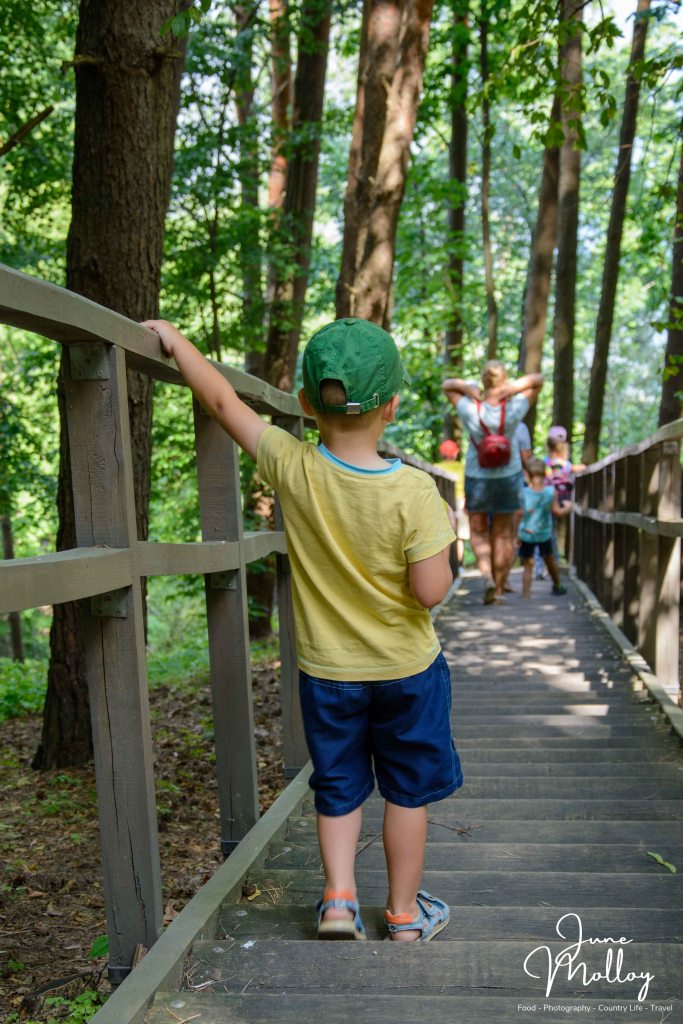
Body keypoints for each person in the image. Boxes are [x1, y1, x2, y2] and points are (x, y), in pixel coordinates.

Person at [142, 315, 463, 943]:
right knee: (406, 792)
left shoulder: (292, 465)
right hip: (407, 671)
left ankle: (338, 902)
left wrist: (178, 343)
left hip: (327, 673)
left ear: (308, 405)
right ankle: (402, 914)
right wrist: (446, 538)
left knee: (339, 785)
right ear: (392, 406)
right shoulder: (418, 493)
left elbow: (221, 400)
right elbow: (430, 592)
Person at [443, 362, 543, 604]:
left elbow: (448, 386)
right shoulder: (514, 407)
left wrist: (468, 389)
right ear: (504, 379)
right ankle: (499, 588)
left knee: (478, 531)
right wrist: (513, 388)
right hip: (508, 477)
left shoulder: (470, 409)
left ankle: (486, 576)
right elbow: (538, 380)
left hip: (478, 477)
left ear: (483, 379)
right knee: (503, 534)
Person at [519, 458, 571, 598]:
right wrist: (568, 507)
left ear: (527, 475)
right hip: (544, 534)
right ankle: (557, 586)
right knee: (549, 560)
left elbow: (518, 515)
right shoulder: (550, 492)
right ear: (545, 474)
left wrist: (514, 534)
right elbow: (557, 512)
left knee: (528, 564)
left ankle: (526, 594)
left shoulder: (523, 493)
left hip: (526, 534)